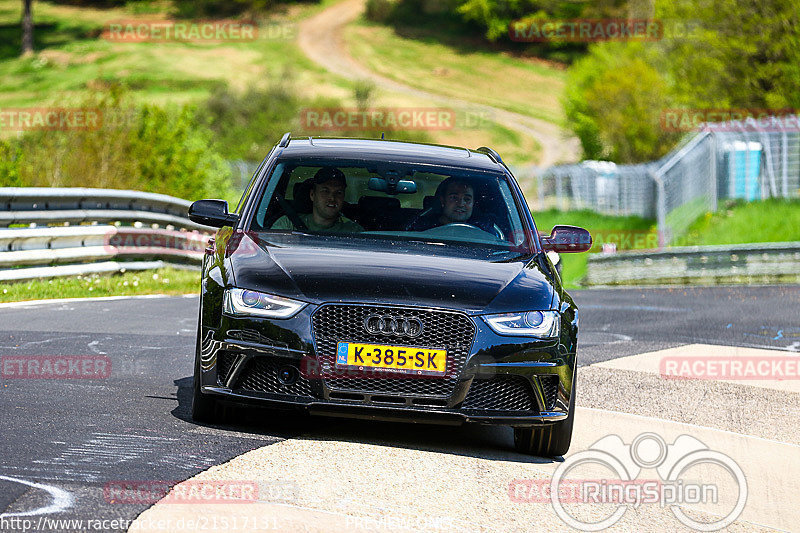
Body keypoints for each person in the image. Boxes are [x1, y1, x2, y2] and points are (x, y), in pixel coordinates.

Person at [271, 167, 363, 233]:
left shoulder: (354, 231)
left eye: (338, 192)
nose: (332, 198)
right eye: (325, 191)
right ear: (312, 195)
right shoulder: (287, 225)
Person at [407, 177, 476, 231]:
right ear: (442, 201)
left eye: (467, 199)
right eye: (454, 198)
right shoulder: (421, 227)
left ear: (473, 203)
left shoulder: (482, 231)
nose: (461, 204)